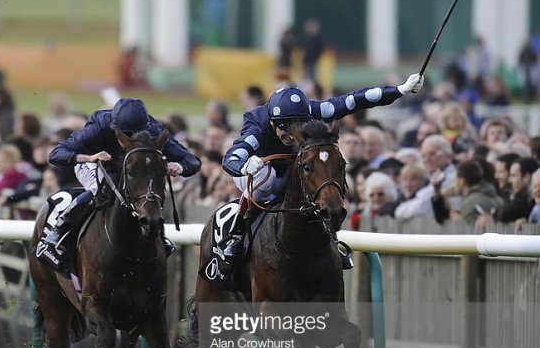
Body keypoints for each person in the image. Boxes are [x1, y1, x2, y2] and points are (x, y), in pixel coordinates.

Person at [217, 73, 425, 275]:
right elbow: (231, 158)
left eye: (299, 126)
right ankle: (237, 233)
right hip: (257, 169)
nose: (292, 134)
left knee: (318, 175)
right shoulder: (258, 124)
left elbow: (356, 100)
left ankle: (331, 239)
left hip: (293, 165)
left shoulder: (315, 110)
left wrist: (399, 90)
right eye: (285, 127)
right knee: (266, 178)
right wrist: (244, 165)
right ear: (272, 122)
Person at [42, 97, 201, 264]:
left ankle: (157, 236)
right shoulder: (99, 126)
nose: (131, 140)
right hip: (94, 163)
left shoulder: (154, 129)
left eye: (136, 135)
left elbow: (193, 161)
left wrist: (179, 167)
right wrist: (90, 157)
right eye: (126, 135)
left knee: (145, 191)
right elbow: (56, 154)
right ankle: (60, 229)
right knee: (101, 190)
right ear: (115, 128)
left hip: (130, 168)